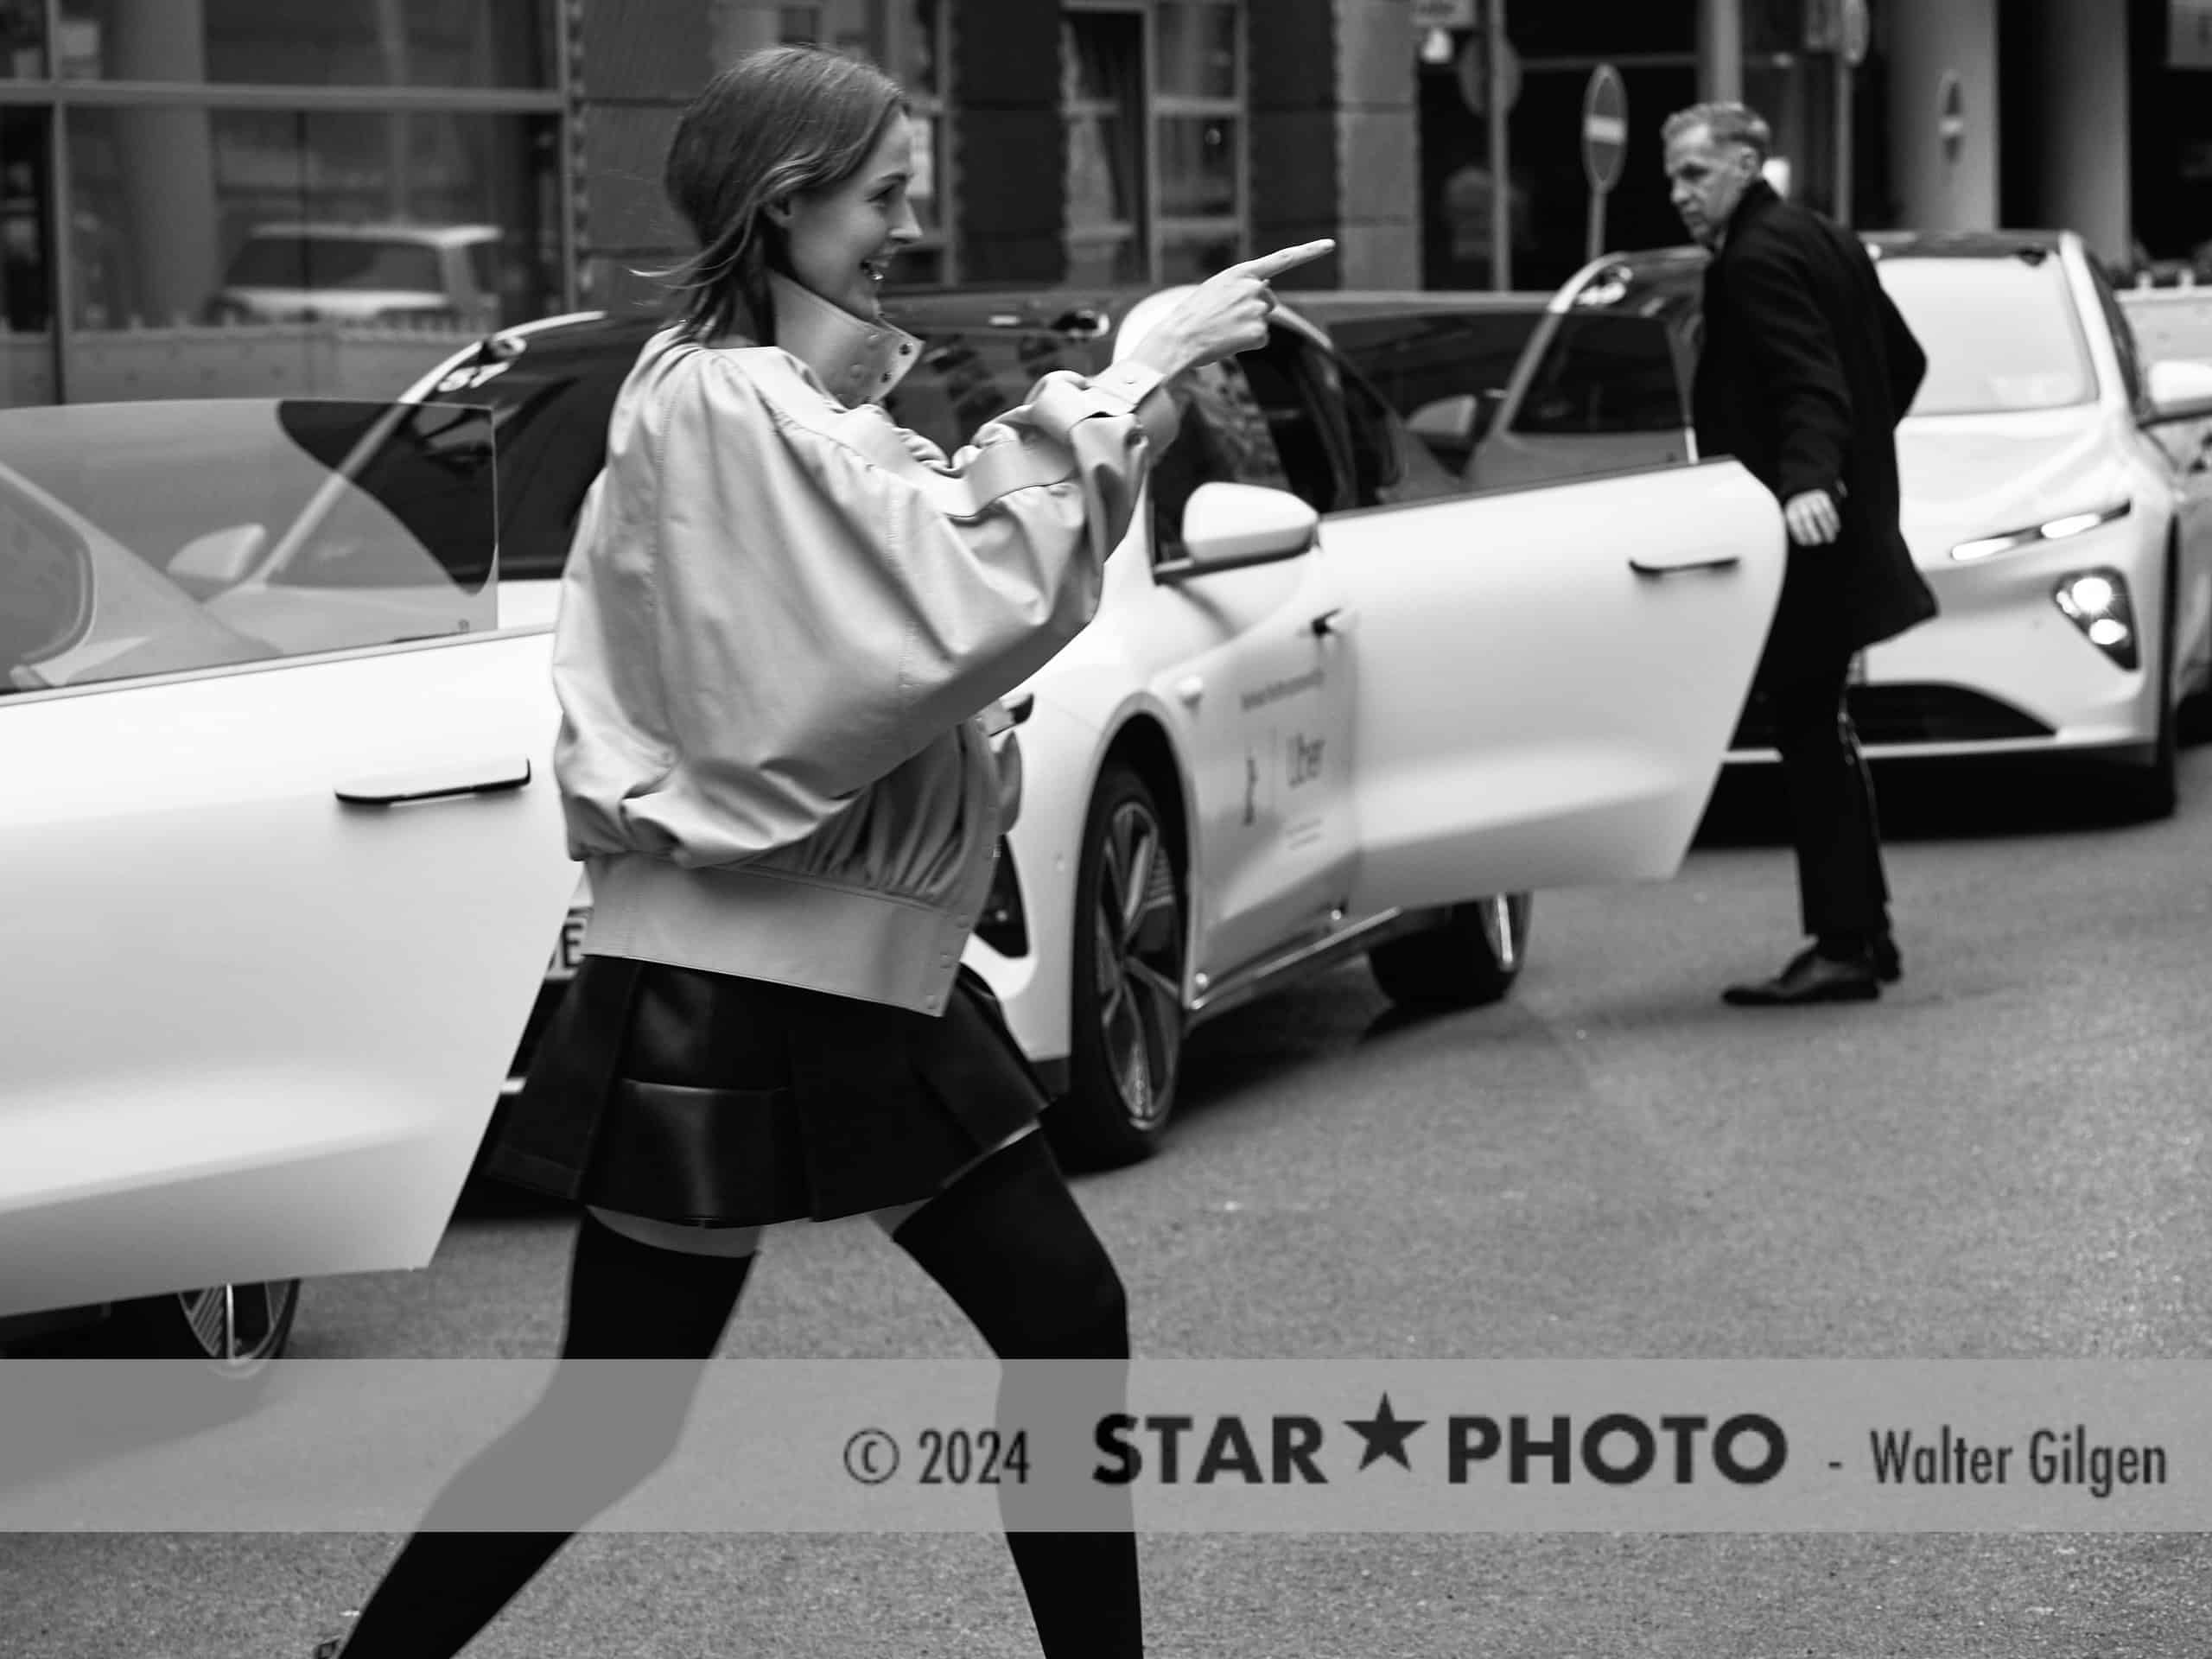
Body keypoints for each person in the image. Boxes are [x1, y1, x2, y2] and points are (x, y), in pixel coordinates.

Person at [308, 44, 1332, 1659]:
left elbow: (943, 574)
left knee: (981, 1340)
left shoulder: (750, 397)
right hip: (770, 967)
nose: (906, 226)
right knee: (688, 1401)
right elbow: (955, 595)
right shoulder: (724, 403)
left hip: (805, 958)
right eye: (885, 196)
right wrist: (1138, 364)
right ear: (787, 203)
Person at [1661, 100, 1936, 1007]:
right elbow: (1902, 361)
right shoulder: (1822, 237)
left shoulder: (1753, 259)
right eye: (1671, 178)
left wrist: (1811, 480)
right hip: (1833, 526)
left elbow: (1806, 380)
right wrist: (1851, 465)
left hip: (1803, 536)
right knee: (1823, 726)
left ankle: (1844, 945)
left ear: (1746, 164)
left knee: (1808, 732)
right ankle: (1867, 933)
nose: (1678, 195)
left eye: (1696, 174)